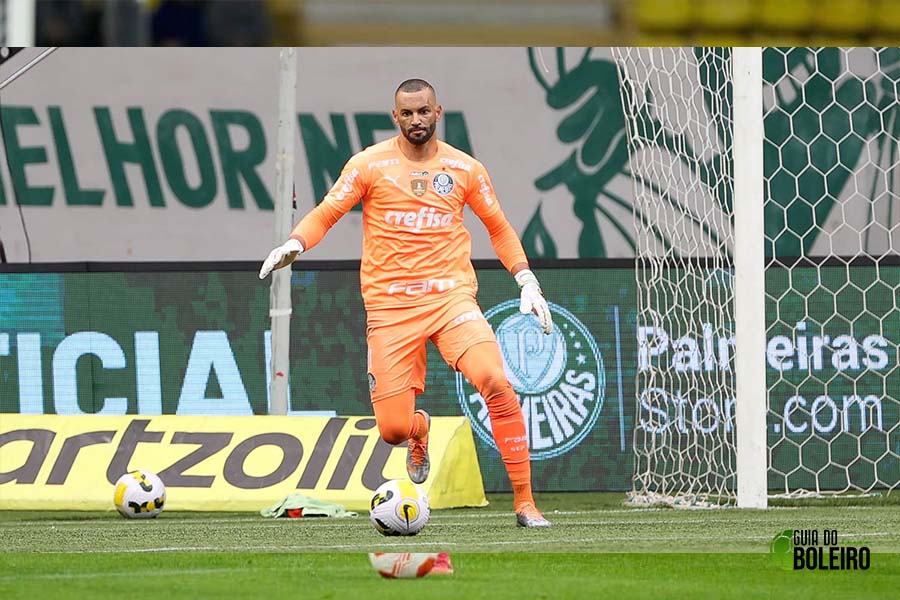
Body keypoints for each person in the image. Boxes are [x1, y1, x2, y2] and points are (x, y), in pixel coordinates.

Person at [259, 78, 553, 528]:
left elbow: (499, 227)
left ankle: (525, 503)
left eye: (424, 111)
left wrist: (526, 278)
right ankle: (420, 430)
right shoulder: (368, 165)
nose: (416, 120)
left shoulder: (465, 168)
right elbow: (327, 212)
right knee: (392, 430)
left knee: (495, 379)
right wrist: (296, 242)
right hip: (390, 308)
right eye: (407, 113)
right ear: (395, 117)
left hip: (450, 299)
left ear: (438, 113)